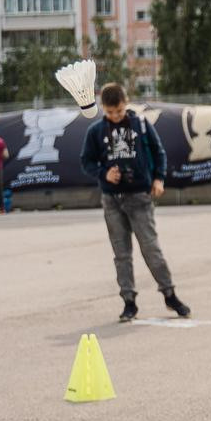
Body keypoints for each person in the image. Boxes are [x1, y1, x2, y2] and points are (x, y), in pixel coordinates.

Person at [78, 83, 189, 323]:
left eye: (118, 111)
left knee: (151, 248)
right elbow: (86, 161)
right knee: (121, 253)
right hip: (112, 200)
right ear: (103, 109)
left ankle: (169, 294)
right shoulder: (96, 131)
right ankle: (129, 301)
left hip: (140, 196)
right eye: (110, 113)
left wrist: (158, 179)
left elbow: (159, 153)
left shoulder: (141, 124)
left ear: (125, 104)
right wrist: (104, 172)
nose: (115, 117)